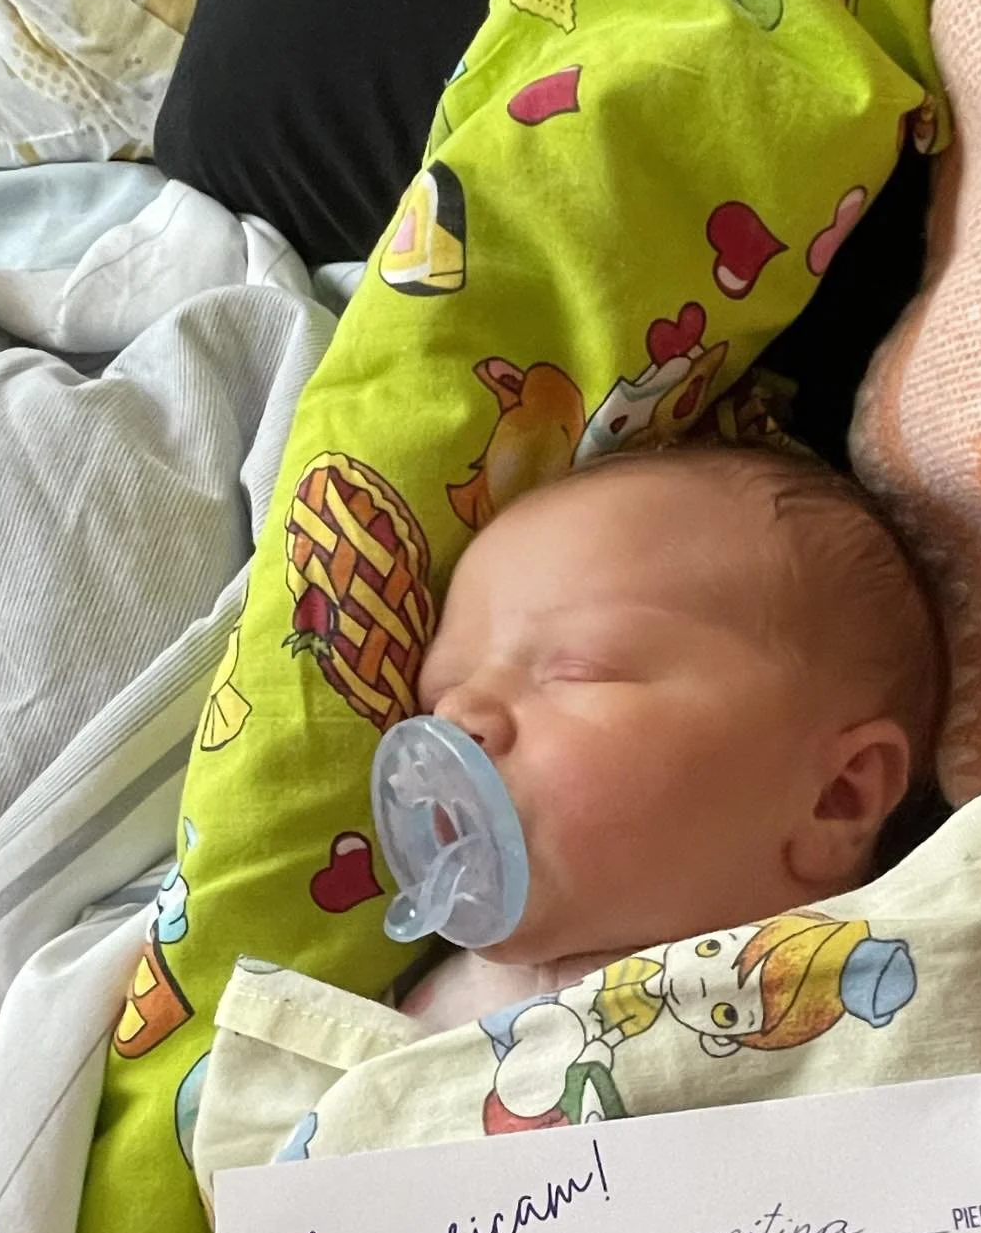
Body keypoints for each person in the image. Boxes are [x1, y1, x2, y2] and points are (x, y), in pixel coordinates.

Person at [397, 440, 944, 1032]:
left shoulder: (907, 988)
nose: (456, 713)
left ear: (836, 795)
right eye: (437, 694)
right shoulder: (397, 1023)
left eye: (579, 668)